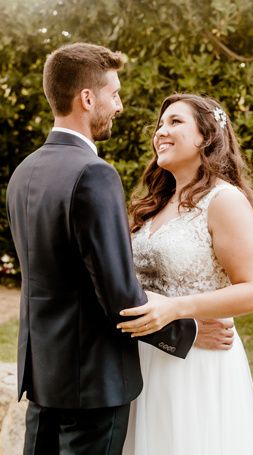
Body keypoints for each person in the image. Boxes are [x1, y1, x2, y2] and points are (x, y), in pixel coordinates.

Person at [6, 44, 201, 455]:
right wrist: (189, 330)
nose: (120, 105)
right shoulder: (94, 174)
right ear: (88, 98)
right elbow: (117, 295)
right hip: (92, 385)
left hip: (42, 377)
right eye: (114, 94)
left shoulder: (24, 172)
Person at [118, 94, 253, 455]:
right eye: (160, 124)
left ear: (206, 136)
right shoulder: (152, 206)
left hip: (198, 364)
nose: (161, 132)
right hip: (145, 356)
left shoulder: (224, 200)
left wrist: (176, 310)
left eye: (175, 122)